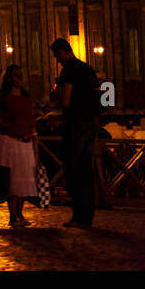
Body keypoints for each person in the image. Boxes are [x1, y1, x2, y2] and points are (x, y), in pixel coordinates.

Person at [51, 38, 101, 227]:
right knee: (86, 170)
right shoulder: (87, 69)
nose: (57, 60)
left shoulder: (69, 70)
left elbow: (65, 101)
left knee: (73, 169)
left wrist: (56, 92)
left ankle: (78, 216)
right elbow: (98, 94)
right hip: (91, 123)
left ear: (63, 52)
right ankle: (88, 214)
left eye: (57, 56)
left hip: (75, 123)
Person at [0, 64, 37, 227]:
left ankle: (20, 213)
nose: (19, 79)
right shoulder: (2, 96)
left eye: (21, 76)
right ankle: (12, 215)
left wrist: (34, 140)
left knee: (24, 180)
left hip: (25, 141)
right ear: (9, 78)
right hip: (8, 141)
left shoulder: (27, 96)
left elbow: (31, 119)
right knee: (11, 180)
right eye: (16, 76)